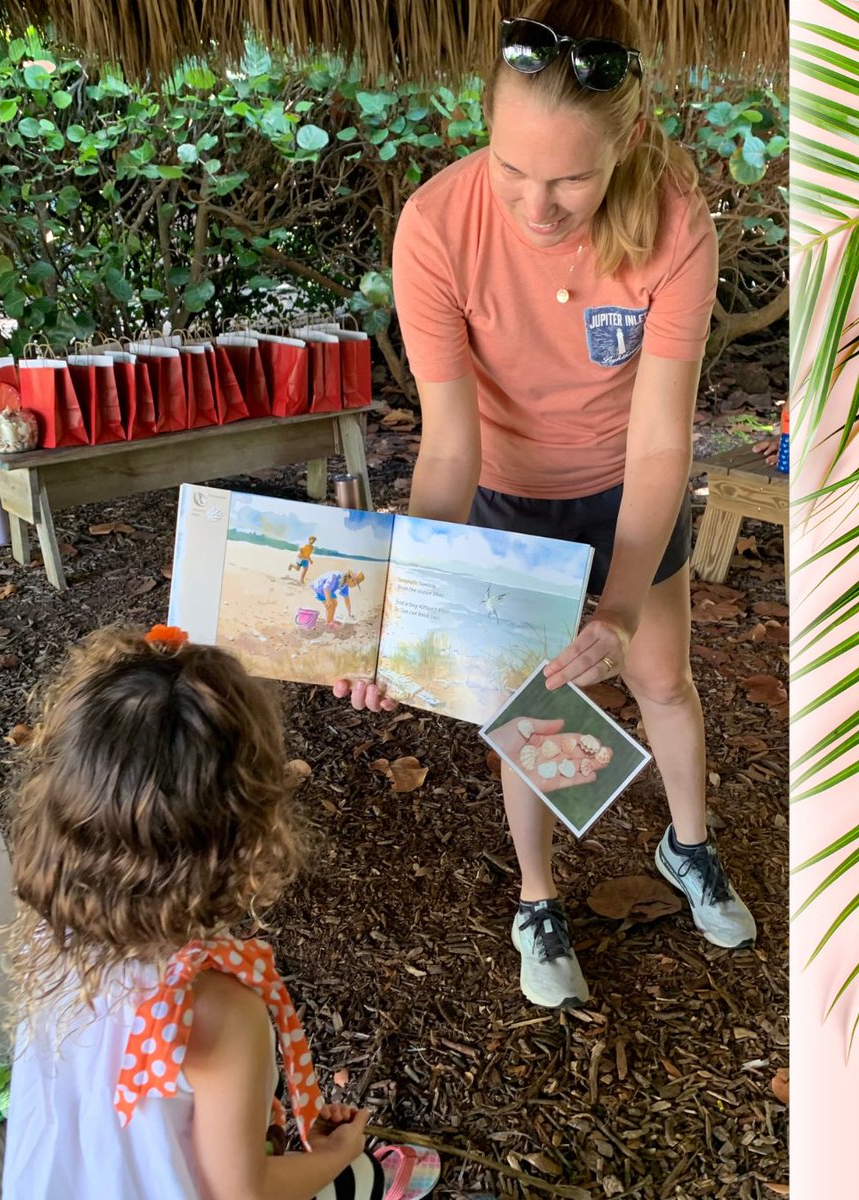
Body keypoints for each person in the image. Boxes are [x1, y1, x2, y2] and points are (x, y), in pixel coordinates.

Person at [337, 0, 755, 1010]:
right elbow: (448, 440)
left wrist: (614, 607)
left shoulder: (672, 223)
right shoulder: (437, 225)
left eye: (570, 177)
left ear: (631, 142)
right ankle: (538, 897)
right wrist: (407, 615)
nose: (536, 208)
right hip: (507, 495)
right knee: (531, 705)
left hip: (625, 484)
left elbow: (661, 435)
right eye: (513, 170)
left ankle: (686, 845)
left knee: (659, 677)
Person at [1, 623, 416, 1200]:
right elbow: (241, 1194)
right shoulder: (217, 1011)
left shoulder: (53, 933)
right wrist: (333, 1157)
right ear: (250, 832)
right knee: (359, 1177)